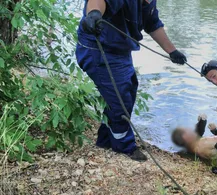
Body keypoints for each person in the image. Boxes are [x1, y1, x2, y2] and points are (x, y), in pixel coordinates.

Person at [75, 0, 187, 161]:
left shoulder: (149, 3)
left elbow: (153, 24)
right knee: (120, 99)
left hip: (121, 51)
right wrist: (93, 14)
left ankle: (105, 140)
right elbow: (99, 1)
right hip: (98, 48)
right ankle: (123, 146)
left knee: (129, 90)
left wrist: (172, 51)